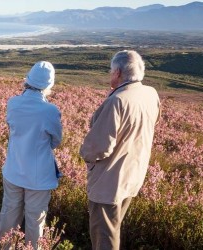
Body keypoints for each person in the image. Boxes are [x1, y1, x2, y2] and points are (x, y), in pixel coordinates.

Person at [80, 50, 160, 250]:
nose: (110, 74)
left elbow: (99, 146)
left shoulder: (117, 101)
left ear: (117, 72)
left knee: (104, 236)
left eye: (110, 71)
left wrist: (86, 158)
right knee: (114, 227)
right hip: (133, 174)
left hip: (109, 181)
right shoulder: (150, 93)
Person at [0, 61, 62, 249]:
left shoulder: (13, 103)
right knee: (35, 221)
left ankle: (4, 247)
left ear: (28, 80)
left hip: (13, 169)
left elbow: (11, 128)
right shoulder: (50, 111)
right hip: (39, 177)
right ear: (48, 85)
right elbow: (56, 141)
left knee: (9, 215)